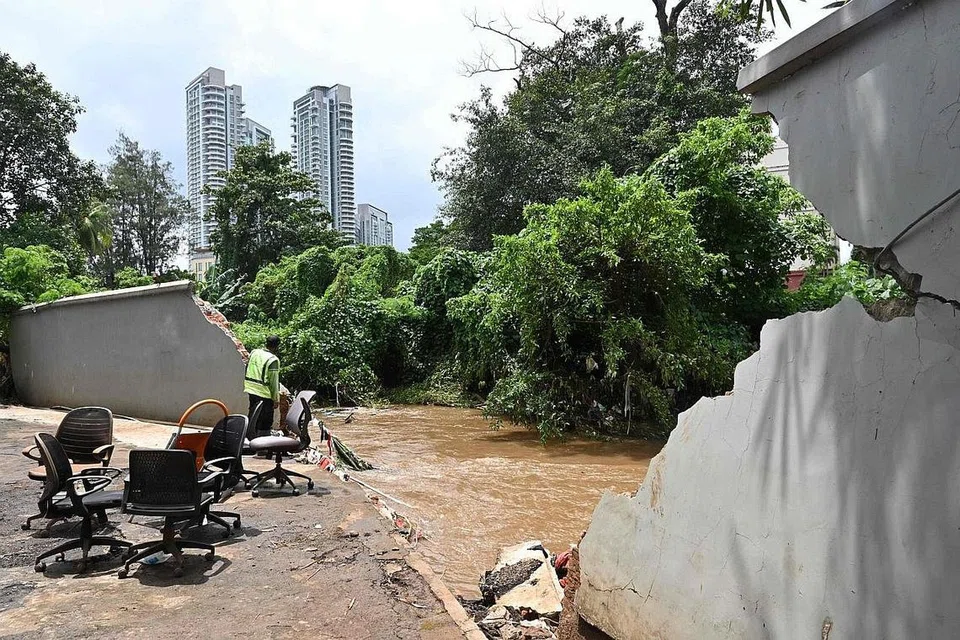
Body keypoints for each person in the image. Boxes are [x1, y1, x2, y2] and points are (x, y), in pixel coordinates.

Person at [244, 335, 281, 438]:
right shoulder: (273, 360)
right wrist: (276, 399)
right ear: (277, 347)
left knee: (254, 416)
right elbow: (274, 381)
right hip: (264, 392)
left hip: (251, 388)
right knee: (266, 420)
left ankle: (250, 438)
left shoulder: (254, 352)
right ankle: (263, 442)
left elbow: (247, 367)